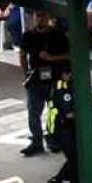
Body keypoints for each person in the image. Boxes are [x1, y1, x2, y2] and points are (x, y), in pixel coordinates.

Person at [19, 11, 68, 156]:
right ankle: (37, 142)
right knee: (33, 112)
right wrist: (26, 73)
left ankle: (54, 140)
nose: (39, 19)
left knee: (54, 112)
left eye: (42, 16)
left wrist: (51, 58)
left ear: (48, 18)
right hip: (35, 79)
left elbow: (68, 54)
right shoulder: (28, 35)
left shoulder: (57, 35)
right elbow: (22, 54)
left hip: (54, 78)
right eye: (36, 16)